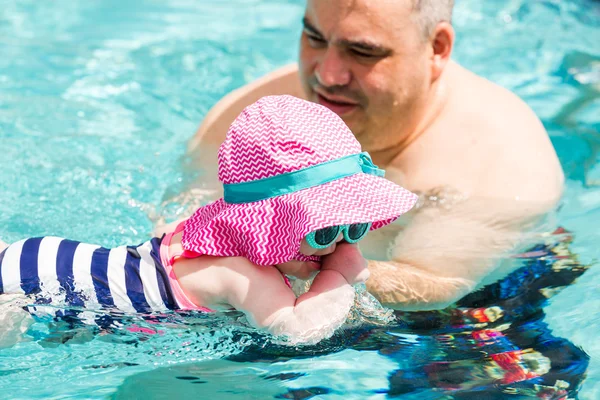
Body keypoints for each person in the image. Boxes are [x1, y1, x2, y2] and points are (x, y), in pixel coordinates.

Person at [164, 0, 566, 311]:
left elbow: (435, 285)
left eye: (363, 52)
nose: (327, 75)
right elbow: (179, 228)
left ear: (437, 48)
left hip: (472, 312)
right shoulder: (256, 117)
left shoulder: (498, 165)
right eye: (315, 39)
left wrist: (278, 268)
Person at [0, 95, 417, 345]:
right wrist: (339, 279)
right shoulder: (243, 273)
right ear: (269, 227)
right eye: (324, 230)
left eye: (355, 228)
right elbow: (298, 331)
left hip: (48, 259)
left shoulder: (212, 234)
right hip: (32, 289)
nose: (337, 249)